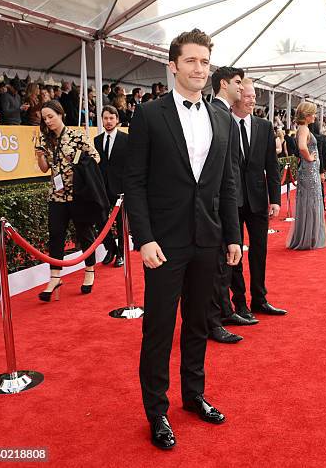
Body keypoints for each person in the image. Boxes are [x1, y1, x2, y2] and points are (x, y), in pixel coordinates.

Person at [124, 29, 241, 450]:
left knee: (198, 324)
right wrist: (144, 238)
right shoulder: (150, 114)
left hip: (207, 237)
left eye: (205, 62)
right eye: (191, 61)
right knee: (158, 328)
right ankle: (156, 411)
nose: (198, 69)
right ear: (173, 65)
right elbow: (134, 182)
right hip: (164, 243)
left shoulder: (222, 117)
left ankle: (193, 396)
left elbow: (227, 181)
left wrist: (232, 235)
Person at [34, 100, 101, 301]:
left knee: (84, 233)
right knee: (55, 235)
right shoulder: (45, 140)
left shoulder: (77, 135)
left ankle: (89, 271)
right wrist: (39, 156)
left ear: (60, 114)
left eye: (50, 117)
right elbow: (45, 169)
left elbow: (95, 158)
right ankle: (55, 277)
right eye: (44, 118)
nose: (48, 121)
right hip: (56, 195)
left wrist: (78, 163)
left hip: (78, 195)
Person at [231, 78, 286, 317]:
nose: (253, 100)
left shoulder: (264, 126)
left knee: (259, 250)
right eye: (248, 96)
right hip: (230, 200)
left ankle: (260, 299)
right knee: (233, 253)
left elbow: (271, 166)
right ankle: (239, 302)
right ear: (236, 97)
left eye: (254, 96)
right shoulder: (222, 123)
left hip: (257, 199)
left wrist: (275, 199)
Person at [207, 65, 252, 344]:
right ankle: (215, 320)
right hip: (218, 204)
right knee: (218, 265)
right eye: (237, 82)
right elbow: (227, 171)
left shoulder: (223, 115)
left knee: (224, 262)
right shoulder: (217, 115)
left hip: (224, 201)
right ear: (224, 85)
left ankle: (224, 311)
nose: (241, 87)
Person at [286, 102, 326, 250]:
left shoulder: (304, 128)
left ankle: (309, 236)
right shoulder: (303, 129)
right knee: (311, 201)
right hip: (309, 171)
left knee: (311, 201)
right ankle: (309, 238)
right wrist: (309, 158)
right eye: (313, 113)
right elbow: (302, 146)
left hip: (310, 171)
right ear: (307, 115)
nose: (315, 116)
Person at [93, 105, 128, 267]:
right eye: (105, 118)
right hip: (102, 189)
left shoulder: (127, 139)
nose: (108, 121)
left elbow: (131, 165)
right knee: (100, 221)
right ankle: (111, 249)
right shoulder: (97, 140)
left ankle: (121, 253)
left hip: (121, 189)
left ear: (117, 120)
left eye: (111, 118)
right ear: (102, 120)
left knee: (121, 224)